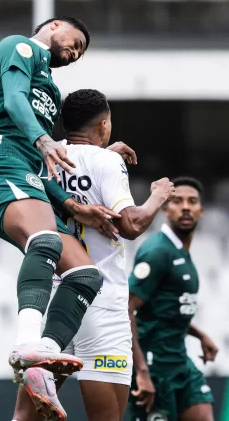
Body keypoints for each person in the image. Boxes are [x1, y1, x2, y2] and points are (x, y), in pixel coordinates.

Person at [0, 18, 121, 418]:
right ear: (53, 25)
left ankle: (44, 357)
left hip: (25, 173)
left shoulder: (48, 85)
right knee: (45, 241)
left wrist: (70, 205)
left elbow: (40, 160)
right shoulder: (20, 46)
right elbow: (15, 102)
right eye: (76, 41)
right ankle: (26, 346)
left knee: (86, 274)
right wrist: (45, 139)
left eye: (81, 52)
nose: (76, 52)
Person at [12, 89, 175, 421]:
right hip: (101, 301)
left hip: (56, 299)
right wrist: (158, 197)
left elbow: (72, 178)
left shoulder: (47, 157)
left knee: (24, 416)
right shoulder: (107, 161)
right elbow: (129, 224)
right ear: (104, 124)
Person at [126, 177, 219, 421]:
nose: (186, 207)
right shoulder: (157, 251)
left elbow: (164, 310)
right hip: (154, 365)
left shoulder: (179, 252)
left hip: (179, 361)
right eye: (178, 201)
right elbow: (126, 306)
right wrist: (142, 371)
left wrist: (200, 335)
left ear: (201, 211)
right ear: (166, 209)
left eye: (192, 201)